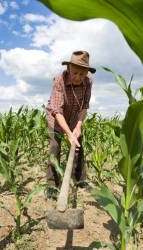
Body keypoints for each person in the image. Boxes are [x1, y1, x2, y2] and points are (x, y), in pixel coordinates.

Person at [45, 50, 96, 200]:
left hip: (75, 116)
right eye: (75, 73)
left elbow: (84, 107)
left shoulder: (88, 81)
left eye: (82, 74)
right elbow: (57, 110)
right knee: (55, 147)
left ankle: (80, 180)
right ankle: (52, 185)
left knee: (78, 146)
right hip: (57, 117)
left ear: (86, 73)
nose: (78, 77)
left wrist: (78, 126)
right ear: (68, 69)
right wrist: (68, 133)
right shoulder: (59, 80)